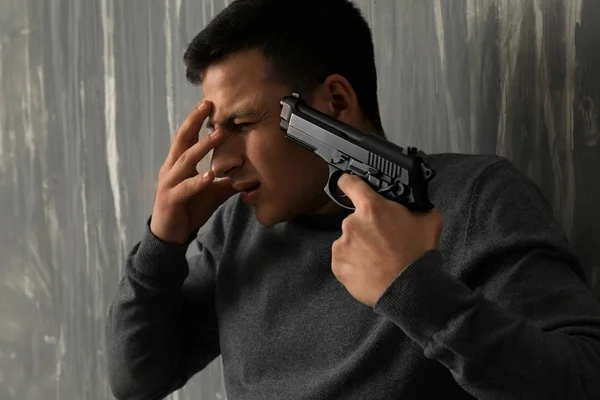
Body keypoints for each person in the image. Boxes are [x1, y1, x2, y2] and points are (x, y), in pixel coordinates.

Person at [105, 0, 600, 399]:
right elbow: (137, 380)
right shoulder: (236, 229)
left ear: (336, 102)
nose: (221, 160)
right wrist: (162, 243)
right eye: (215, 131)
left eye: (242, 123)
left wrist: (415, 291)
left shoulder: (474, 198)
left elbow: (583, 379)